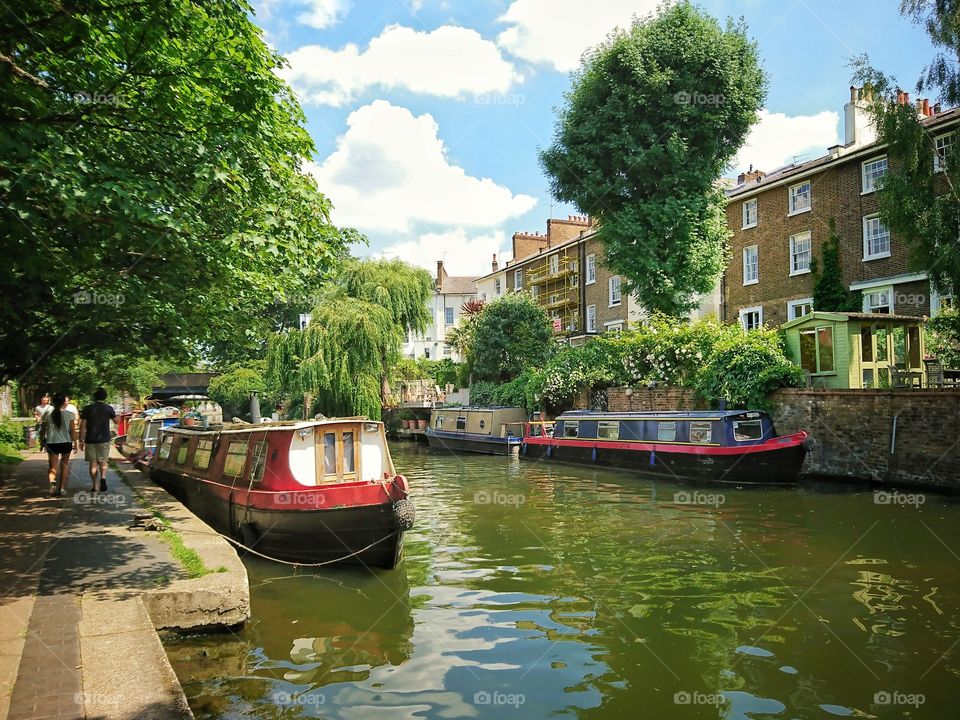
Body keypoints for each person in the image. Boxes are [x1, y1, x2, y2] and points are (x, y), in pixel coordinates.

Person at [79, 387, 116, 492]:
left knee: (93, 463)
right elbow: (116, 420)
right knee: (103, 461)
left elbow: (82, 425)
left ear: (94, 397)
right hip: (104, 439)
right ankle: (103, 477)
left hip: (90, 439)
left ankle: (95, 486)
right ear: (105, 397)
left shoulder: (87, 409)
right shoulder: (108, 408)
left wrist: (80, 440)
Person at [43, 393, 77, 496]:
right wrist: (75, 442)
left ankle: (52, 484)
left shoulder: (47, 414)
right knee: (64, 465)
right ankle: (61, 489)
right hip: (66, 443)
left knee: (52, 467)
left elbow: (43, 429)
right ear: (64, 402)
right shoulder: (69, 414)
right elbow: (72, 431)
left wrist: (41, 441)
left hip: (52, 442)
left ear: (53, 401)